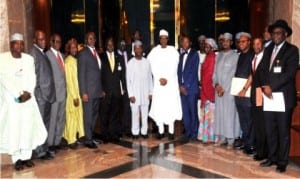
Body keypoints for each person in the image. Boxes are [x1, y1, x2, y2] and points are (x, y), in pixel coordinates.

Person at [0, 33, 47, 170]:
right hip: (13, 102)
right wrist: (18, 95)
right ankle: (17, 159)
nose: (19, 46)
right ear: (10, 45)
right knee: (15, 130)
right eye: (16, 43)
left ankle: (26, 156)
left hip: (27, 101)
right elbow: (4, 80)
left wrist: (28, 92)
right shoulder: (3, 60)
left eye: (21, 43)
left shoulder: (28, 59)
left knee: (27, 129)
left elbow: (32, 77)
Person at [258, 19, 299, 173]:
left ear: (285, 34)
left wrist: (271, 87)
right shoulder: (268, 50)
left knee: (283, 131)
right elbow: (262, 70)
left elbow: (289, 74)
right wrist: (264, 86)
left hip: (283, 97)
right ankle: (272, 157)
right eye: (273, 33)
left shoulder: (292, 50)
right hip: (268, 96)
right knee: (270, 129)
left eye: (278, 33)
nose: (275, 36)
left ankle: (282, 161)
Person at [148, 29, 182, 140]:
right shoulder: (155, 51)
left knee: (170, 107)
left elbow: (174, 67)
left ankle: (171, 132)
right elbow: (151, 65)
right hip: (158, 85)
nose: (163, 40)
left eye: (165, 38)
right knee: (159, 107)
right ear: (159, 39)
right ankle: (161, 131)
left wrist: (167, 78)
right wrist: (159, 78)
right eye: (161, 38)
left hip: (170, 85)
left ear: (168, 39)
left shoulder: (173, 51)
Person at [238, 38, 268, 160]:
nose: (256, 46)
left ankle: (261, 150)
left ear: (262, 45)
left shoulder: (266, 58)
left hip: (262, 92)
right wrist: (245, 88)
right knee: (255, 121)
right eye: (255, 44)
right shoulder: (254, 58)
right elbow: (252, 75)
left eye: (258, 44)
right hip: (254, 92)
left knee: (259, 122)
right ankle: (255, 148)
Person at [30, 30, 56, 160]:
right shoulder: (33, 53)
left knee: (45, 124)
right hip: (41, 97)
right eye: (40, 39)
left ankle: (44, 149)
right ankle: (40, 151)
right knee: (40, 125)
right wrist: (38, 94)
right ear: (34, 40)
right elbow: (33, 76)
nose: (43, 42)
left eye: (44, 39)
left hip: (47, 96)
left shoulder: (42, 53)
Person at [213, 32, 240, 147]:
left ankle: (231, 139)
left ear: (231, 43)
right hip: (219, 90)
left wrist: (225, 88)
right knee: (220, 114)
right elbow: (214, 73)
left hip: (229, 91)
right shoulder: (218, 55)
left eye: (227, 41)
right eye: (223, 41)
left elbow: (234, 75)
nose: (225, 43)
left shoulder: (235, 56)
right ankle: (222, 137)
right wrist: (217, 85)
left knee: (229, 115)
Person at [77, 32, 103, 149]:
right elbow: (81, 74)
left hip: (97, 91)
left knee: (94, 115)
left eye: (94, 38)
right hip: (88, 92)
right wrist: (83, 92)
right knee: (88, 116)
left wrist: (101, 89)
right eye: (90, 38)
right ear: (86, 40)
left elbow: (98, 73)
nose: (92, 40)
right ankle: (88, 139)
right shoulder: (83, 53)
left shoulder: (96, 53)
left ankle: (91, 136)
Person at [100, 37, 127, 142]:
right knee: (104, 114)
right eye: (108, 44)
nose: (110, 46)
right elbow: (99, 75)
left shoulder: (119, 57)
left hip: (116, 91)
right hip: (105, 91)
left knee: (115, 114)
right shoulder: (101, 57)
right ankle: (105, 136)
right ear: (106, 45)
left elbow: (122, 75)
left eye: (112, 44)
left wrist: (123, 88)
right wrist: (101, 89)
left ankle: (114, 134)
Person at [126, 40, 153, 139]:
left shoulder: (147, 62)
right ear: (134, 50)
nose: (138, 50)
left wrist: (151, 92)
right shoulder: (130, 63)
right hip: (135, 94)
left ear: (142, 49)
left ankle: (144, 131)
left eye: (139, 48)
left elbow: (150, 78)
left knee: (145, 113)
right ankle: (135, 132)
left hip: (145, 92)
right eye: (136, 48)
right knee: (135, 113)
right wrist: (131, 95)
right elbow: (128, 80)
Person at [234, 32, 255, 154]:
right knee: (243, 119)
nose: (241, 44)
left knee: (249, 119)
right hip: (239, 92)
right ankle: (246, 142)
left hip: (247, 92)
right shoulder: (241, 55)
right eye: (239, 42)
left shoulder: (252, 55)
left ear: (249, 42)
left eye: (243, 41)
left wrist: (245, 89)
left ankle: (251, 145)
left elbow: (252, 74)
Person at [46, 34, 67, 154]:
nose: (58, 43)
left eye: (60, 42)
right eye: (56, 41)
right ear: (51, 42)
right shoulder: (47, 55)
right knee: (53, 119)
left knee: (61, 119)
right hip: (54, 94)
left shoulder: (62, 56)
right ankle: (50, 144)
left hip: (63, 93)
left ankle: (57, 141)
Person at [63, 38, 84, 149]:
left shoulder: (75, 60)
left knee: (77, 116)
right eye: (72, 47)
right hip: (73, 96)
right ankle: (71, 140)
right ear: (68, 49)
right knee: (71, 117)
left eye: (75, 47)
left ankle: (76, 137)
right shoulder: (68, 61)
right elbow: (69, 81)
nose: (74, 49)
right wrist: (75, 96)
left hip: (78, 94)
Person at [177, 35, 199, 141]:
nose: (185, 44)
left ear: (190, 43)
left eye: (187, 42)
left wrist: (186, 86)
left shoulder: (195, 54)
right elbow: (178, 72)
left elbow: (193, 72)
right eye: (183, 42)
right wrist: (180, 86)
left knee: (193, 112)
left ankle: (194, 133)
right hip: (182, 89)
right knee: (185, 112)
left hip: (191, 89)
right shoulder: (181, 56)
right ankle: (188, 132)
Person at [198, 38, 217, 143]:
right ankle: (205, 137)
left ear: (212, 47)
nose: (206, 48)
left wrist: (206, 89)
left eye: (208, 46)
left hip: (209, 90)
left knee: (211, 116)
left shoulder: (212, 57)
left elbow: (210, 75)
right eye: (205, 46)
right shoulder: (208, 57)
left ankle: (210, 137)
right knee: (207, 115)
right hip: (204, 88)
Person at [117, 40, 132, 137]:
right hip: (119, 85)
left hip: (129, 84)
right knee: (119, 109)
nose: (123, 45)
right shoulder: (115, 55)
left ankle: (127, 129)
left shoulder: (129, 55)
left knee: (127, 108)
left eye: (124, 44)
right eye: (121, 44)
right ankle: (120, 129)